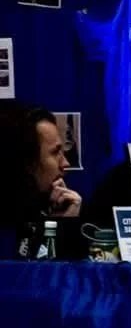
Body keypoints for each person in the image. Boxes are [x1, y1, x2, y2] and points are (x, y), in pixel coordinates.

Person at [0, 107, 87, 261]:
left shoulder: (44, 210)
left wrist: (61, 225)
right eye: (55, 152)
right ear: (26, 162)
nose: (65, 163)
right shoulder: (8, 233)